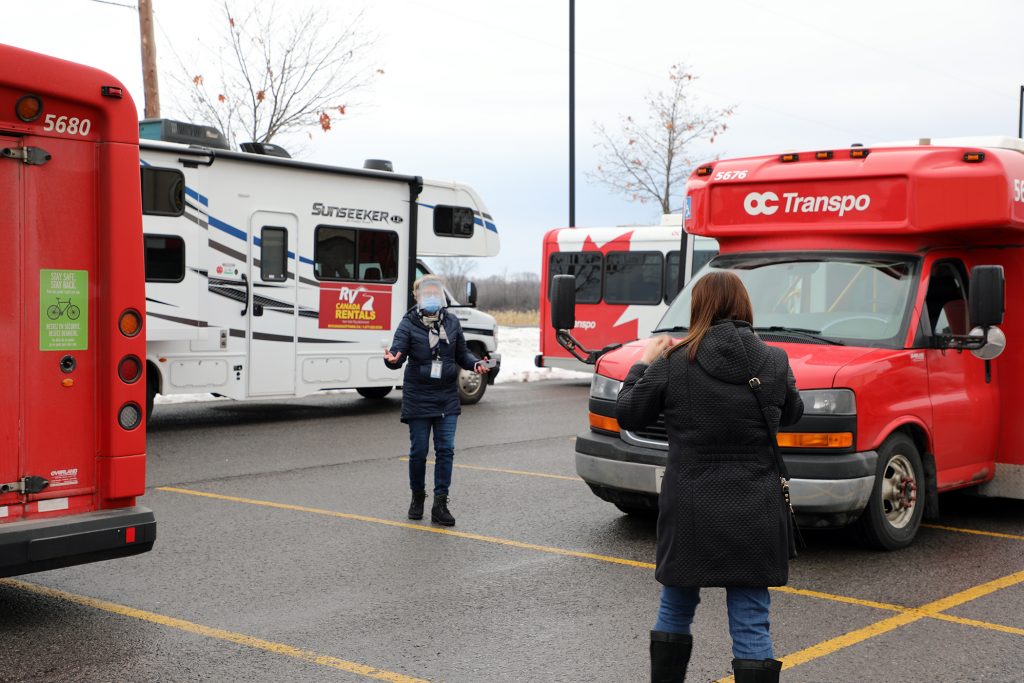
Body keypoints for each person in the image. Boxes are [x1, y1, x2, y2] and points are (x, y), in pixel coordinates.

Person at [615, 271, 803, 683]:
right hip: (756, 505)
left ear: (699, 307)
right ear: (744, 306)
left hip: (691, 507)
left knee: (676, 605)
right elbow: (792, 414)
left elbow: (629, 412)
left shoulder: (675, 362)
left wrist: (642, 364)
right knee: (752, 619)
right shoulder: (775, 360)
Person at [384, 275, 489, 526]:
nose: (432, 297)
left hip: (446, 396)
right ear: (417, 296)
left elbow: (461, 352)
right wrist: (392, 360)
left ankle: (440, 503)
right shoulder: (408, 323)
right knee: (419, 451)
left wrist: (474, 363)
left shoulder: (451, 322)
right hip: (418, 395)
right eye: (426, 293)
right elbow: (397, 351)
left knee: (446, 450)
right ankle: (417, 496)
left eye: (435, 292)